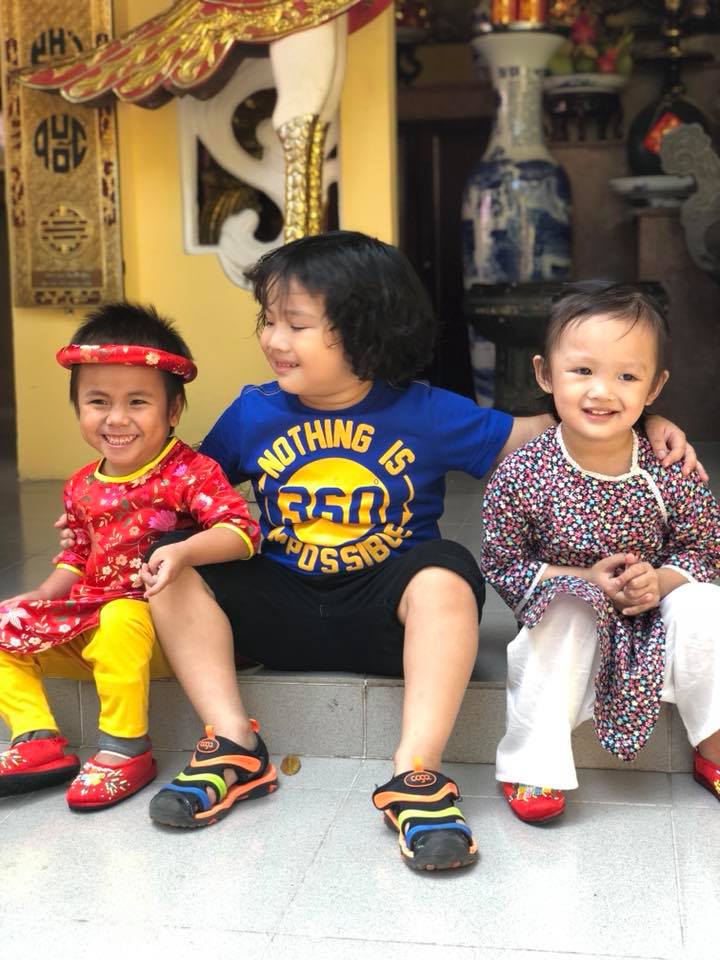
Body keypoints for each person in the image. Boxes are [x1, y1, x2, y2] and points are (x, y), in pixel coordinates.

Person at [57, 236, 698, 867]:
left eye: (296, 324)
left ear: (364, 331)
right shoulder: (253, 413)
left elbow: (545, 426)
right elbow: (179, 491)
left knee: (448, 569)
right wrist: (95, 526)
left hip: (385, 616)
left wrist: (646, 421)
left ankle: (417, 773)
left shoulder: (425, 411)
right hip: (274, 613)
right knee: (172, 555)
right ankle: (232, 743)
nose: (273, 339)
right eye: (268, 321)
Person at [0, 303, 265, 812]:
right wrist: (41, 597)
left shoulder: (190, 472)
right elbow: (79, 555)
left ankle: (125, 748)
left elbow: (241, 531)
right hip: (92, 623)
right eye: (97, 401)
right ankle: (36, 739)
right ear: (77, 407)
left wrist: (184, 550)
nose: (116, 418)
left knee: (122, 616)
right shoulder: (81, 484)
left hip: (162, 633)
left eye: (138, 402)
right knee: (6, 622)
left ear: (173, 410)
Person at [481, 282, 720, 824]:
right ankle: (533, 763)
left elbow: (705, 550)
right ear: (545, 374)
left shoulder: (668, 467)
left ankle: (714, 747)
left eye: (627, 377)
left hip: (654, 618)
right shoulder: (523, 474)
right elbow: (503, 563)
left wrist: (660, 582)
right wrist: (583, 579)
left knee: (709, 605)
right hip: (568, 627)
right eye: (582, 370)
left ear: (655, 387)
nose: (602, 391)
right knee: (567, 605)